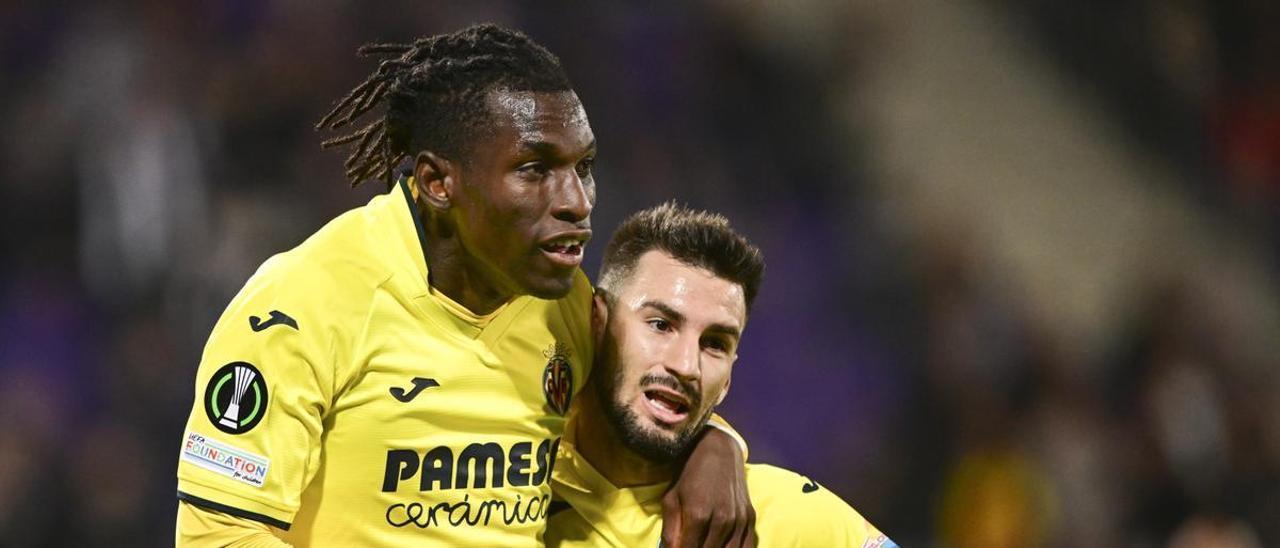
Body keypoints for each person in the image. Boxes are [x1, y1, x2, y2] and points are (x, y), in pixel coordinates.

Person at [174, 24, 752, 547]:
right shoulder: (303, 304)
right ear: (437, 182)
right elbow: (218, 538)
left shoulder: (566, 306)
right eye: (534, 170)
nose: (576, 201)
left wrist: (717, 446)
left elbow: (648, 398)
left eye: (584, 167)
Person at [546, 203, 896, 547]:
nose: (686, 365)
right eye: (661, 324)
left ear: (728, 377)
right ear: (598, 324)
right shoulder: (516, 484)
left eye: (714, 343)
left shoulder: (784, 519)